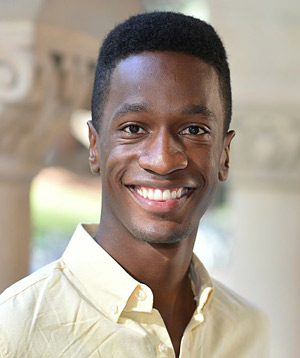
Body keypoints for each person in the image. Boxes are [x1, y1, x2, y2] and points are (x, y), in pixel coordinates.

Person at [0, 12, 269, 358]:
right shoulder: (16, 332)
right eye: (133, 129)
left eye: (194, 130)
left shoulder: (249, 332)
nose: (163, 160)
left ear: (224, 154)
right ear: (95, 147)